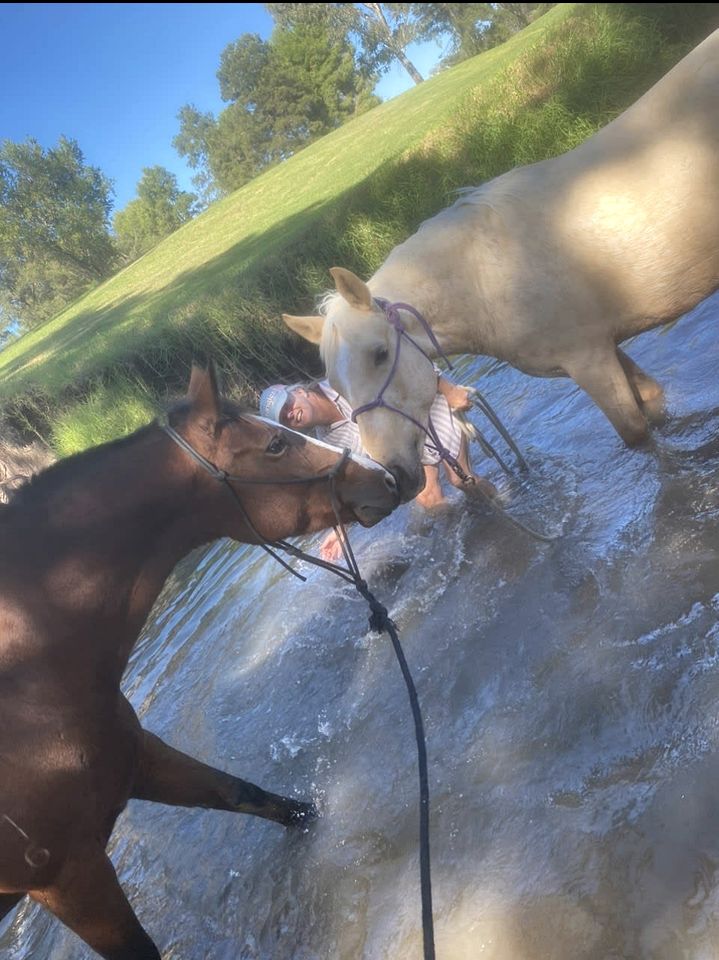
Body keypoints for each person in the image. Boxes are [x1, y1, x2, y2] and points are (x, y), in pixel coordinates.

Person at [259, 375, 496, 560]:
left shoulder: (342, 379)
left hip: (424, 407)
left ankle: (501, 504)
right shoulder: (330, 444)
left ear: (300, 392)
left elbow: (402, 364)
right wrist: (340, 532)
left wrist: (450, 390)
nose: (290, 413)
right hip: (406, 442)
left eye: (287, 404)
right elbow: (355, 486)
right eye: (284, 418)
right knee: (428, 500)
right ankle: (477, 539)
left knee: (460, 480)